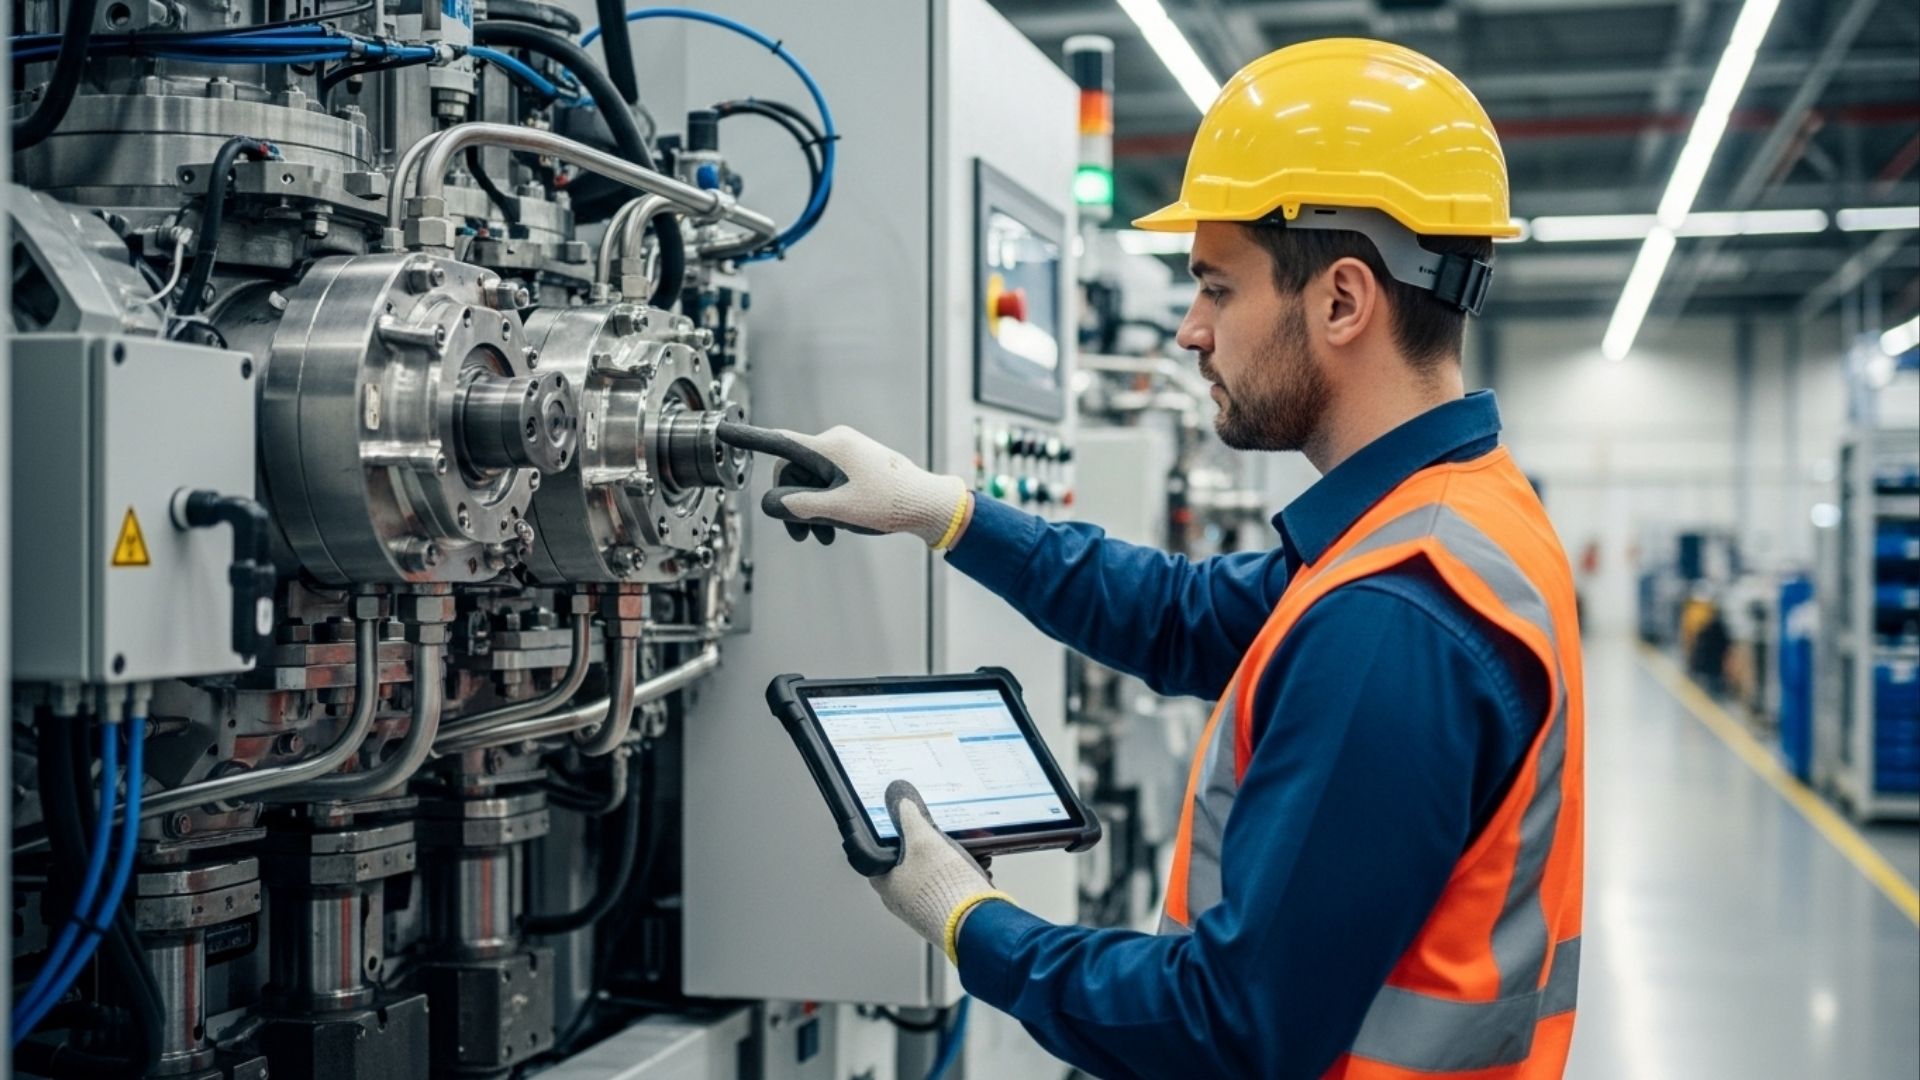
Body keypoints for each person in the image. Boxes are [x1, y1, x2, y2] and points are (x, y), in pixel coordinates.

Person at [720, 39, 1585, 1080]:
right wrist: (942, 510)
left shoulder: (1395, 616)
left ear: (1343, 300)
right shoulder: (1449, 518)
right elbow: (1182, 618)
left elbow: (1228, 1029)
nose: (1188, 331)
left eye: (1217, 289)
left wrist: (970, 923)